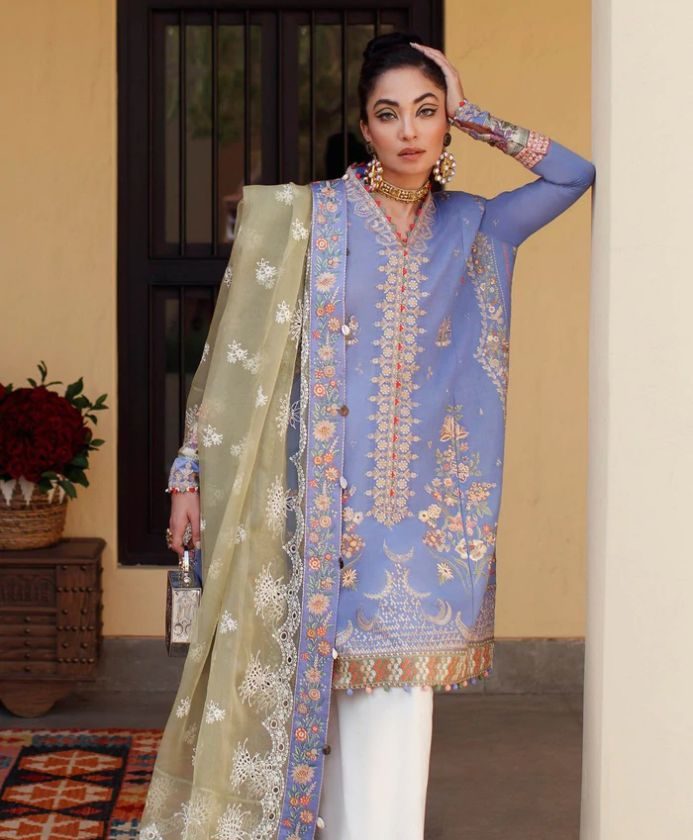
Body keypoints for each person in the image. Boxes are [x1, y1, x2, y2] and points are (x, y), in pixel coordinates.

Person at [139, 32, 595, 840]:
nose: (409, 131)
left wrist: (479, 116)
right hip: (302, 507)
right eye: (389, 114)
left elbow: (573, 175)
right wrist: (189, 472)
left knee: (391, 724)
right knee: (301, 719)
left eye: (427, 111)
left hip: (418, 526)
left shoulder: (475, 228)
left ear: (446, 121)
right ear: (363, 126)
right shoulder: (307, 219)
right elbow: (233, 354)